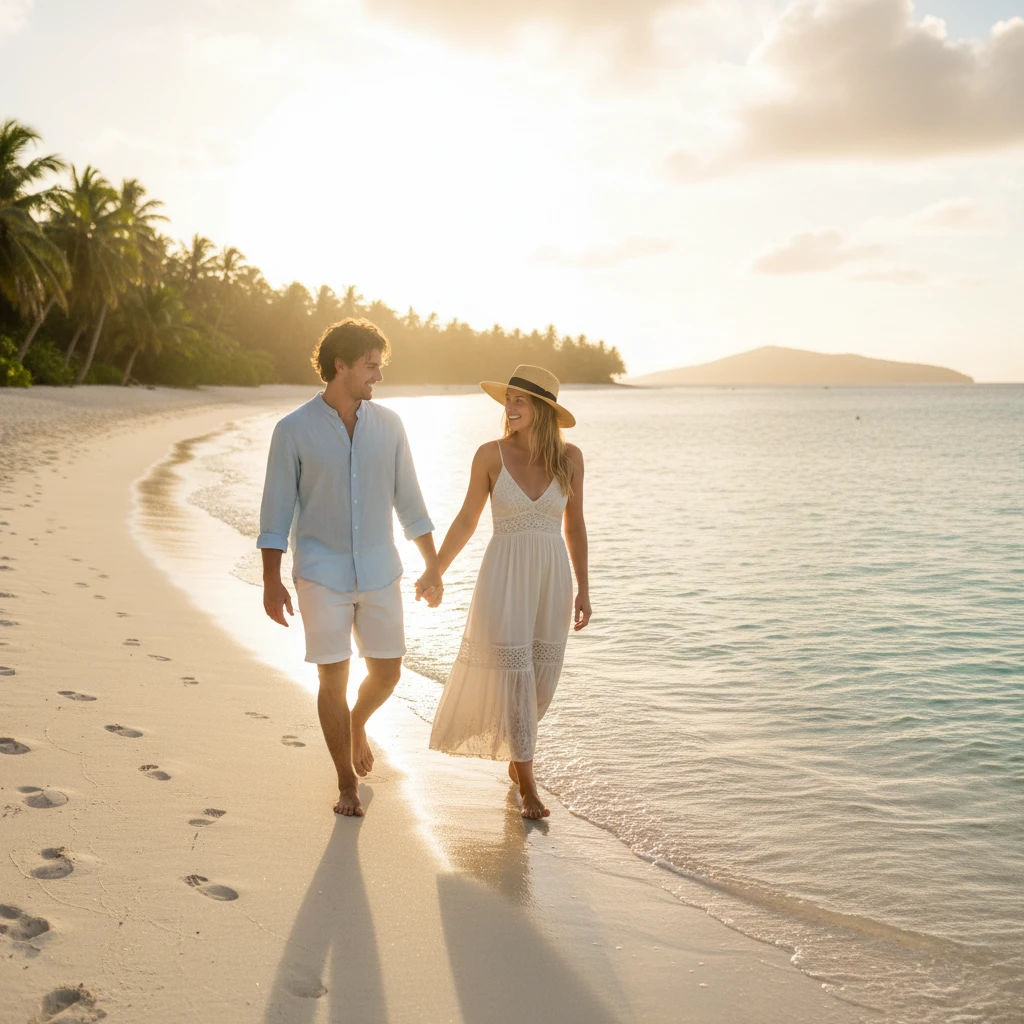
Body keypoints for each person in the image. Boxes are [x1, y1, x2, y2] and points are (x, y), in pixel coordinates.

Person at [257, 318, 442, 818]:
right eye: (371, 366)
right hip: (320, 573)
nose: (378, 377)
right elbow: (275, 513)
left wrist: (433, 565)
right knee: (331, 679)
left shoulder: (391, 426)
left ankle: (357, 723)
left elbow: (411, 501)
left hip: (382, 569)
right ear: (341, 366)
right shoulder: (292, 431)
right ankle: (345, 784)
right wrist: (272, 580)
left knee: (387, 673)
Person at [429, 365, 591, 819]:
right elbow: (466, 520)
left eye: (520, 400)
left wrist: (584, 588)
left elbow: (574, 526)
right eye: (509, 399)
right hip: (503, 576)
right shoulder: (489, 455)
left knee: (542, 680)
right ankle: (528, 785)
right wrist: (436, 570)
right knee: (514, 678)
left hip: (552, 576)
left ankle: (519, 756)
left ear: (542, 409)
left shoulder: (570, 458)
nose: (510, 407)